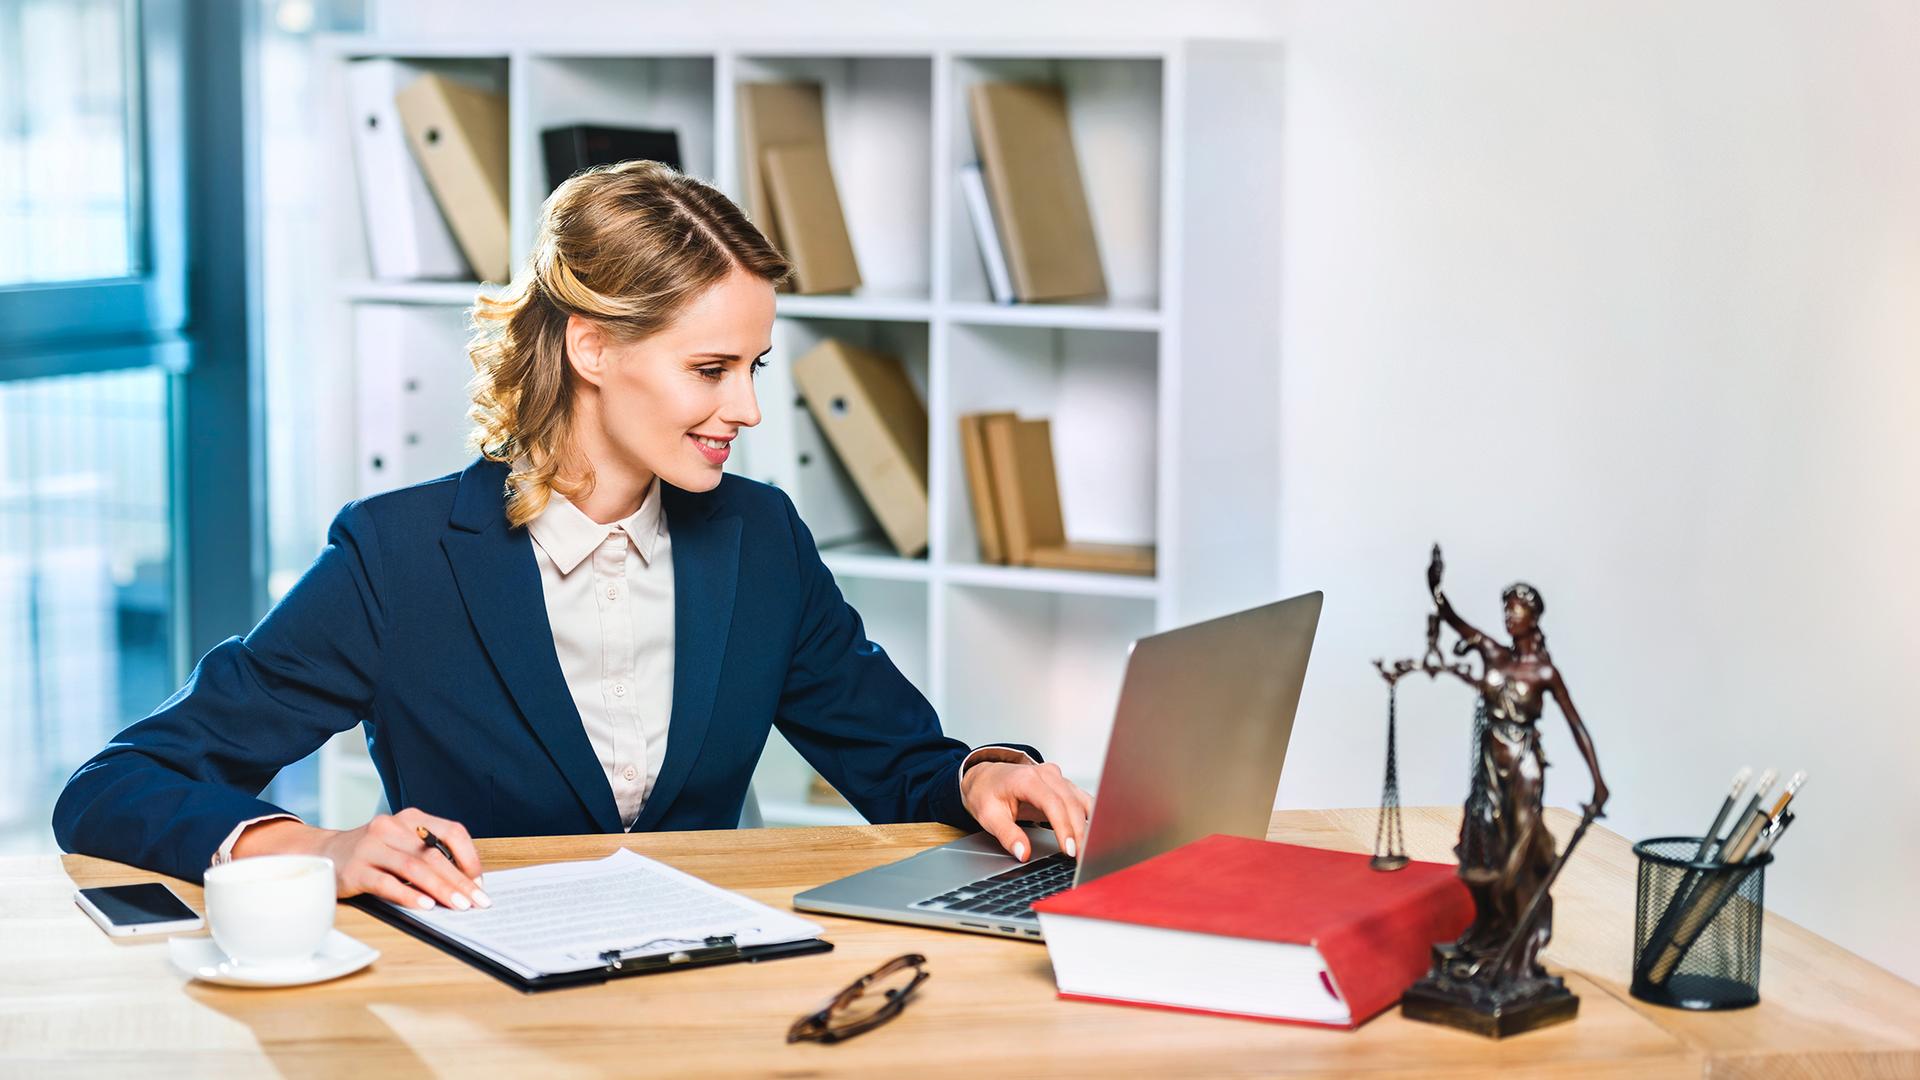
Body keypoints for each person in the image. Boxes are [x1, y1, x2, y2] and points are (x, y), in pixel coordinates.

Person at [53, 161, 1092, 912]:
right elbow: (114, 787)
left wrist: (979, 776)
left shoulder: (759, 539)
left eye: (754, 369)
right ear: (591, 346)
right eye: (710, 369)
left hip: (701, 990)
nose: (748, 409)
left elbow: (900, 759)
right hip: (476, 1003)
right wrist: (315, 845)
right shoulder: (400, 556)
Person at [1427, 548, 1607, 985]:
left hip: (1524, 768)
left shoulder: (1544, 671)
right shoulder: (1493, 654)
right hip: (1490, 765)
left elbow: (1577, 725)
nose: (1508, 616)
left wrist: (1597, 782)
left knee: (1515, 860)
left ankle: (1516, 944)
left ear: (1533, 617)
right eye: (1505, 608)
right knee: (1477, 852)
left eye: (1516, 609)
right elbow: (1451, 617)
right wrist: (1435, 587)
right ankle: (1488, 932)